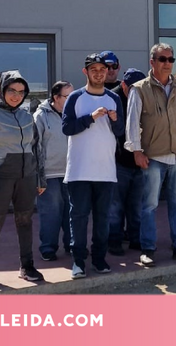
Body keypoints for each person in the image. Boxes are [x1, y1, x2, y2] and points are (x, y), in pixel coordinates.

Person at [125, 43, 176, 266]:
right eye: (162, 59)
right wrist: (136, 150)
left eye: (170, 59)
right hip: (154, 156)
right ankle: (148, 248)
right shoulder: (139, 89)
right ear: (152, 62)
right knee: (150, 205)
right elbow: (132, 123)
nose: (167, 63)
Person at [0, 70, 46, 288]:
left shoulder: (27, 116)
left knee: (25, 221)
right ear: (3, 89)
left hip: (26, 178)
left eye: (21, 92)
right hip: (0, 178)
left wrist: (40, 178)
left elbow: (36, 147)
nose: (16, 95)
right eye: (12, 90)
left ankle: (27, 266)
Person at [63, 53, 125, 279]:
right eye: (94, 69)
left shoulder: (113, 98)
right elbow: (67, 128)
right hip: (79, 171)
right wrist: (90, 117)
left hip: (105, 171)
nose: (99, 73)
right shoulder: (75, 98)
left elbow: (120, 133)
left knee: (102, 218)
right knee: (78, 217)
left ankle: (99, 258)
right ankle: (78, 261)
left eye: (103, 69)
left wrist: (116, 120)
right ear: (86, 72)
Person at [107, 68, 147, 256]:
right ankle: (114, 240)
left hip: (141, 162)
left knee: (136, 204)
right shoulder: (112, 100)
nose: (135, 92)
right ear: (123, 85)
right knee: (115, 205)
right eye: (131, 88)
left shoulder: (146, 96)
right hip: (118, 161)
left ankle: (135, 239)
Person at [34, 80, 74, 261]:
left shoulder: (74, 113)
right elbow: (35, 147)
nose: (72, 99)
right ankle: (48, 248)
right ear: (56, 97)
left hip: (72, 173)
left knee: (72, 212)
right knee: (51, 212)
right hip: (49, 174)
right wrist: (38, 177)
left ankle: (72, 245)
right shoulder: (40, 116)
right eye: (68, 96)